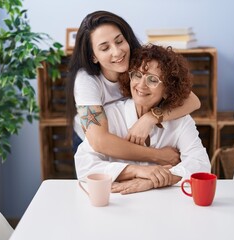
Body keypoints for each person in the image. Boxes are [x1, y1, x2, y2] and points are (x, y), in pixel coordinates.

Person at [66, 10, 201, 167]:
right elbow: (100, 142)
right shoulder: (86, 80)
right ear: (93, 56)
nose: (117, 52)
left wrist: (150, 118)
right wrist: (158, 156)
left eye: (119, 41)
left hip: (134, 134)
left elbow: (193, 101)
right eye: (105, 48)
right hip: (93, 145)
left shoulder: (138, 61)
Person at [75, 44, 210, 194]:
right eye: (137, 75)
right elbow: (84, 166)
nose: (141, 85)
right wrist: (136, 171)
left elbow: (201, 165)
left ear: (167, 89)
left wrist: (151, 181)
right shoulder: (111, 116)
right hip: (118, 203)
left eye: (152, 80)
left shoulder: (181, 121)